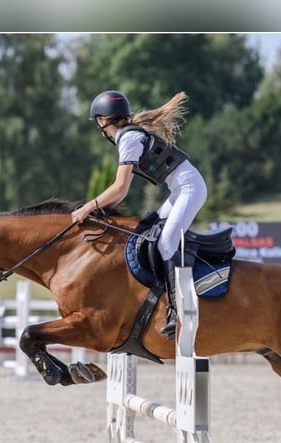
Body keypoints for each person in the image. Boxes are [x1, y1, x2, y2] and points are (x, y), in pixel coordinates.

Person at [71, 90, 208, 339]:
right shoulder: (129, 135)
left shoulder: (129, 139)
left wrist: (87, 207)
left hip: (190, 188)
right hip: (180, 189)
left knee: (166, 245)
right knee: (149, 230)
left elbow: (120, 189)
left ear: (103, 120)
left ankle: (181, 310)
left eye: (98, 122)